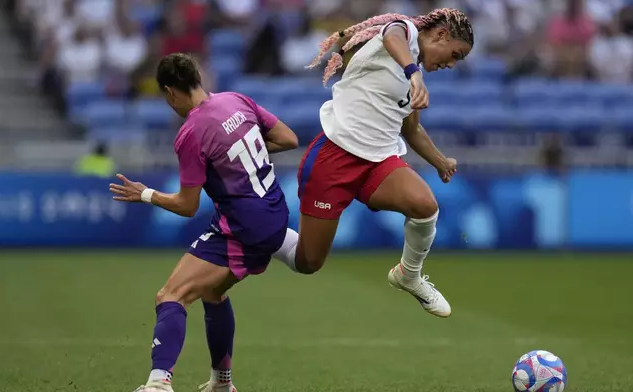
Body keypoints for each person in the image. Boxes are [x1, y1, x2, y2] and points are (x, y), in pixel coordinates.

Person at [109, 53, 299, 392]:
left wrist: (146, 194)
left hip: (245, 229)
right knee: (213, 293)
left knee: (171, 295)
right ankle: (221, 383)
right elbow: (288, 139)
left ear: (169, 92)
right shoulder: (236, 100)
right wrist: (237, 158)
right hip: (272, 210)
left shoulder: (191, 131)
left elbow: (186, 204)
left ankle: (158, 384)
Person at [272, 8, 474, 318]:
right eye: (455, 54)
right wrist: (413, 73)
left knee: (425, 207)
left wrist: (439, 162)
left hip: (377, 164)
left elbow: (411, 129)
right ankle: (256, 228)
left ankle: (409, 275)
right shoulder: (403, 32)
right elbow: (393, 33)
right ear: (441, 35)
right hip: (334, 158)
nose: (451, 64)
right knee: (308, 262)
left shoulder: (412, 69)